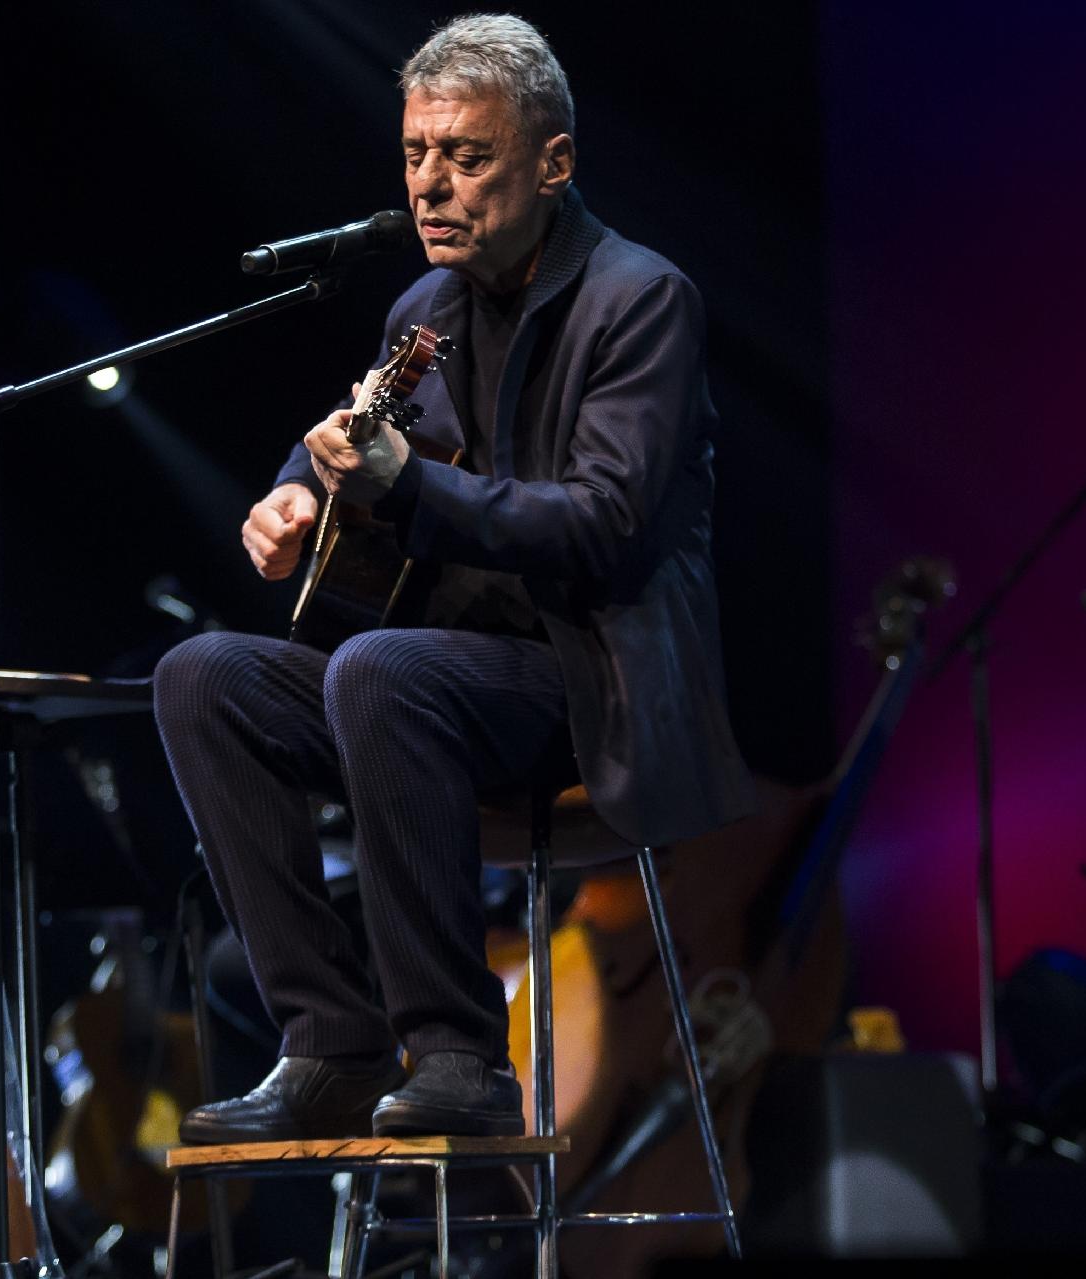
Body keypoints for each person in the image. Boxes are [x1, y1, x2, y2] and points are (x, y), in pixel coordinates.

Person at [153, 12, 753, 1142]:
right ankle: (329, 1040)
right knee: (203, 676)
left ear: (553, 163)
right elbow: (357, 435)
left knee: (381, 668)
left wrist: (407, 492)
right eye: (418, 154)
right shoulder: (421, 311)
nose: (432, 185)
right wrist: (297, 492)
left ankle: (459, 1054)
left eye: (467, 158)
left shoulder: (640, 300)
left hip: (594, 690)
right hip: (427, 699)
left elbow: (608, 526)